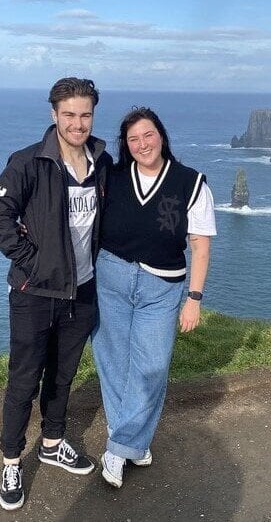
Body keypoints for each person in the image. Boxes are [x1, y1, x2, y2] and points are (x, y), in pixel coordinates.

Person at [0, 77, 111, 511]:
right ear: (54, 115)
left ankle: (53, 442)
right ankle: (11, 460)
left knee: (62, 373)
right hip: (34, 293)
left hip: (82, 290)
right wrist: (33, 260)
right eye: (70, 114)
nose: (78, 123)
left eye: (86, 114)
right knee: (24, 379)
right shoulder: (28, 162)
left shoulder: (101, 159)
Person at [91, 106, 216, 488]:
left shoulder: (190, 182)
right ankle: (131, 443)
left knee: (151, 367)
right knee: (113, 362)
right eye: (133, 139)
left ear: (161, 135)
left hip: (162, 288)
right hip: (110, 277)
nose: (142, 144)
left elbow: (200, 246)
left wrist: (193, 298)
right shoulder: (112, 178)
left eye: (148, 135)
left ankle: (118, 447)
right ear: (126, 146)